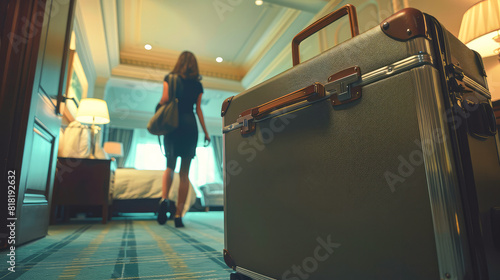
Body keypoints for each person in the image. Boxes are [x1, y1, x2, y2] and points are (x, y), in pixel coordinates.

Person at [157, 51, 210, 227]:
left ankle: (164, 200)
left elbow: (164, 99)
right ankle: (179, 214)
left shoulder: (170, 78)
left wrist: (158, 110)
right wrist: (206, 132)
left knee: (169, 167)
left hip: (173, 125)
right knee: (185, 173)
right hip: (190, 126)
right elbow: (199, 110)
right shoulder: (197, 85)